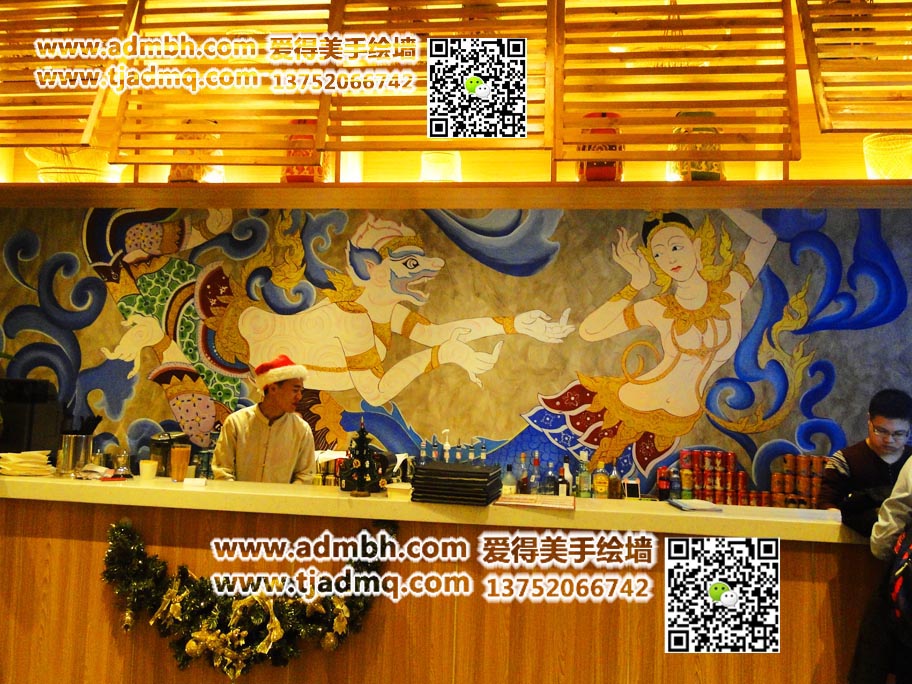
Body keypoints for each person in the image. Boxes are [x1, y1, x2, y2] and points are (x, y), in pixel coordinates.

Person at [540, 209, 776, 476]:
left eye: (676, 246)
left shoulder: (732, 289)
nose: (669, 259)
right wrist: (635, 285)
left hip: (678, 419)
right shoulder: (660, 308)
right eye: (659, 254)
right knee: (581, 476)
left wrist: (723, 200)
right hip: (630, 403)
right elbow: (590, 331)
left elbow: (766, 238)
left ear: (696, 245)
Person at [819, 388, 912, 537]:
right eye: (881, 431)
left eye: (899, 433)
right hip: (852, 543)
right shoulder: (844, 460)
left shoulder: (910, 461)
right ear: (869, 420)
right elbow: (826, 504)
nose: (889, 440)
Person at [212, 354, 315, 483]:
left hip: (282, 497)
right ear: (273, 388)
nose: (299, 396)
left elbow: (305, 475)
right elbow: (222, 471)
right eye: (295, 390)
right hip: (239, 496)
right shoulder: (236, 423)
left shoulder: (301, 429)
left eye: (300, 391)